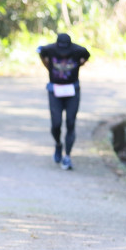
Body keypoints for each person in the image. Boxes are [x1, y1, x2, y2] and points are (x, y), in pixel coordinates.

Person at [38, 33, 90, 170]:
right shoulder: (49, 49)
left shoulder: (78, 50)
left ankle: (67, 156)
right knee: (56, 124)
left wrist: (78, 65)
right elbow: (40, 52)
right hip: (55, 91)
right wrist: (47, 66)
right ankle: (58, 144)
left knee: (70, 123)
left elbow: (86, 56)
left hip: (72, 91)